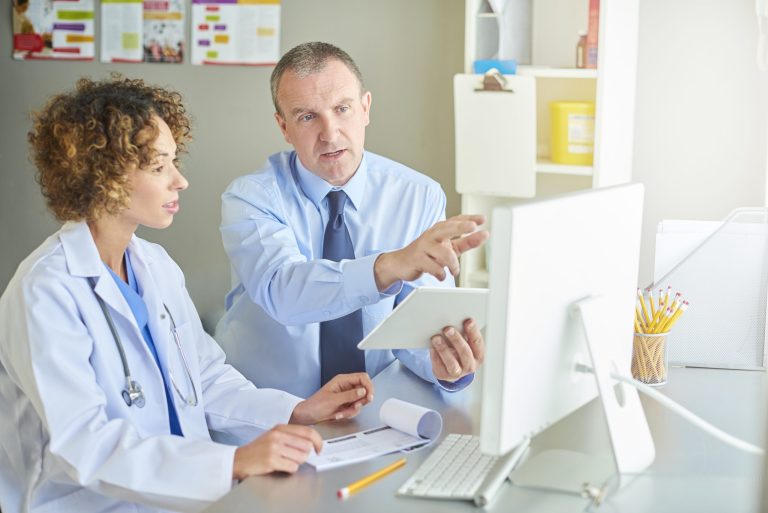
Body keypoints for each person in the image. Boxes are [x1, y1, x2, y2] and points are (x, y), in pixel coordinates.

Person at [0, 76, 374, 513]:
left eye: (174, 162)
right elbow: (85, 444)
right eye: (159, 167)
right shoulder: (45, 291)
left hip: (184, 500)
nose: (180, 181)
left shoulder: (156, 266)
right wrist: (233, 462)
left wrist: (297, 411)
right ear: (103, 176)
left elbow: (207, 380)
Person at [215, 42, 489, 399]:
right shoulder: (250, 198)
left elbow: (417, 326)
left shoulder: (418, 196)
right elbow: (285, 291)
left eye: (342, 109)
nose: (330, 133)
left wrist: (443, 364)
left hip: (368, 410)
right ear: (284, 127)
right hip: (269, 410)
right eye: (307, 116)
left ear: (365, 109)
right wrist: (389, 267)